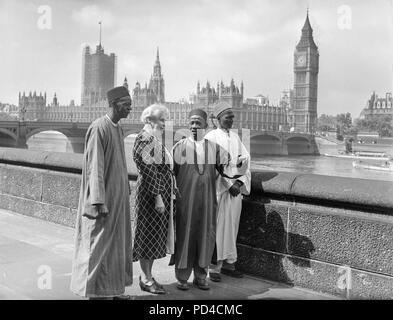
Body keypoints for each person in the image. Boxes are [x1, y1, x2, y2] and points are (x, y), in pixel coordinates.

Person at [70, 86, 133, 300]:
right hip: (103, 200)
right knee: (98, 246)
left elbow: (121, 164)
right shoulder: (99, 127)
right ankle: (96, 292)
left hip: (117, 198)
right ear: (115, 104)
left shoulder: (118, 128)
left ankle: (112, 289)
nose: (130, 108)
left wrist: (125, 190)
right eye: (126, 104)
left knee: (116, 245)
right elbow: (94, 167)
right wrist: (98, 199)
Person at [171, 108, 230, 291]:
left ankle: (201, 276)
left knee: (205, 236)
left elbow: (229, 169)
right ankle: (182, 277)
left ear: (205, 125)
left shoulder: (215, 149)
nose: (194, 126)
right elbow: (170, 175)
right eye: (192, 122)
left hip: (207, 202)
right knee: (185, 237)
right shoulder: (178, 147)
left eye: (198, 123)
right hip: (185, 203)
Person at [205, 101, 251, 282]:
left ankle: (230, 263)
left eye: (232, 116)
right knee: (217, 228)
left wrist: (239, 183)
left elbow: (246, 162)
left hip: (235, 192)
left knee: (232, 227)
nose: (232, 120)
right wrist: (227, 184)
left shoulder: (237, 137)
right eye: (228, 117)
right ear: (217, 119)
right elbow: (211, 167)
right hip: (219, 192)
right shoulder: (210, 137)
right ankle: (214, 267)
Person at [132, 103, 175, 295]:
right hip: (151, 195)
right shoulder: (144, 138)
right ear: (149, 120)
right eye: (162, 120)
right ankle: (145, 278)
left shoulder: (153, 138)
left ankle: (148, 276)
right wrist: (158, 197)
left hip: (160, 193)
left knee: (154, 236)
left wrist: (172, 187)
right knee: (147, 236)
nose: (165, 123)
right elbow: (149, 170)